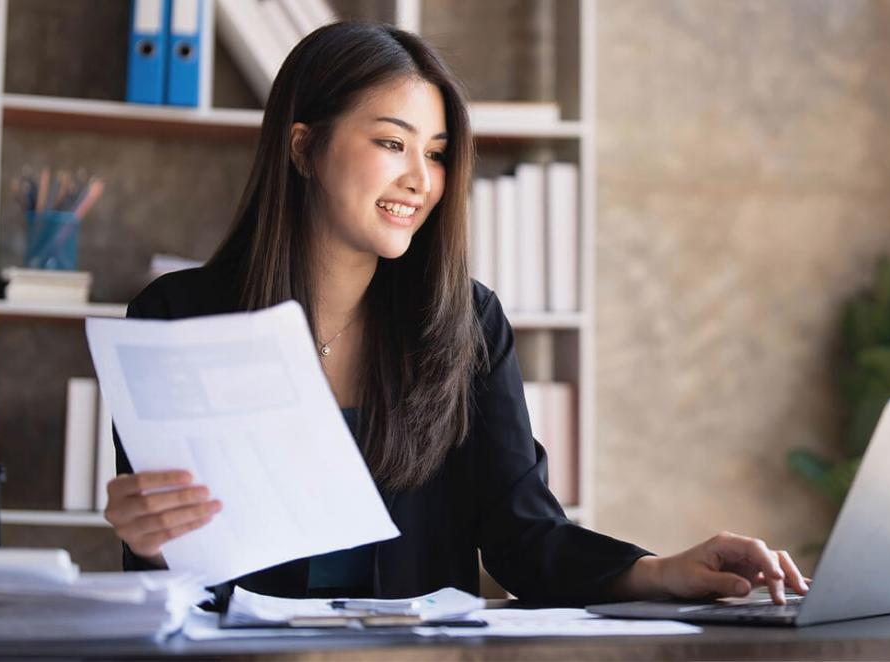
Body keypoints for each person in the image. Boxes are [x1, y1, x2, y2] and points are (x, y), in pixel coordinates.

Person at [105, 21, 809, 605]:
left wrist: (663, 571)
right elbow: (170, 571)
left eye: (437, 154)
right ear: (303, 147)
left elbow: (524, 539)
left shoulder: (466, 324)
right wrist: (143, 538)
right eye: (391, 143)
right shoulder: (177, 318)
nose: (419, 179)